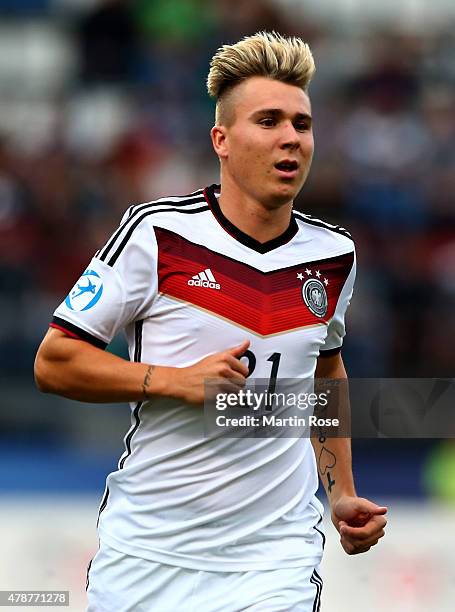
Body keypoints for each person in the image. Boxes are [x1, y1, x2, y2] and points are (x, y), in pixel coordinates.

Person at [35, 31, 387, 612]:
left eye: (302, 124)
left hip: (274, 561)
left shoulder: (333, 255)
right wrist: (173, 381)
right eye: (269, 121)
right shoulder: (156, 235)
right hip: (149, 556)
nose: (291, 139)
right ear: (221, 140)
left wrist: (341, 491)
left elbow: (324, 372)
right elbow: (54, 361)